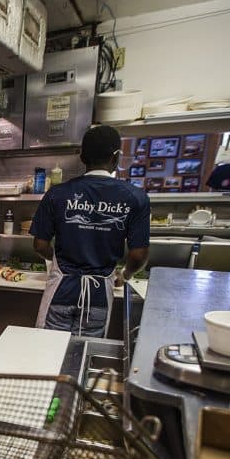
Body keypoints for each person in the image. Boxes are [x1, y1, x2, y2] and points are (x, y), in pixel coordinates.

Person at [30, 125, 150, 337]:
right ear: (116, 157)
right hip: (99, 296)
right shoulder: (135, 197)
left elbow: (40, 245)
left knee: (48, 355)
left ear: (82, 157)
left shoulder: (57, 194)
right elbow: (138, 254)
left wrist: (57, 261)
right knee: (83, 356)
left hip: (61, 290)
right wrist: (126, 274)